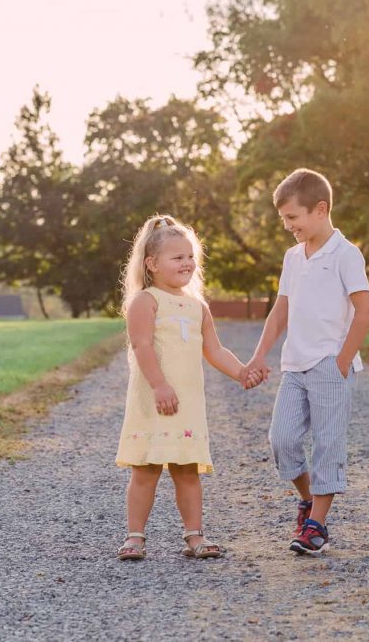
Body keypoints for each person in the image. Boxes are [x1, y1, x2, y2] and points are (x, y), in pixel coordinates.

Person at [242, 168, 369, 555]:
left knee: (327, 445)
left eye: (292, 218)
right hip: (294, 366)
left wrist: (343, 361)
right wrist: (260, 354)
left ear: (320, 209)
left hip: (330, 364)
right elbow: (280, 310)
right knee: (281, 440)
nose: (288, 226)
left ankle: (316, 525)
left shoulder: (345, 254)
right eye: (284, 219)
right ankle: (307, 501)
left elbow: (364, 311)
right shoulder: (293, 257)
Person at [116, 214, 262, 560]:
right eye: (177, 257)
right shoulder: (145, 301)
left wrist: (241, 372)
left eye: (190, 256)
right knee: (146, 469)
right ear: (152, 264)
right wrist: (160, 385)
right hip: (155, 398)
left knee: (187, 470)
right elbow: (142, 347)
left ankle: (194, 535)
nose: (187, 263)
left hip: (187, 403)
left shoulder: (198, 307)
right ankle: (135, 537)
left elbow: (214, 350)